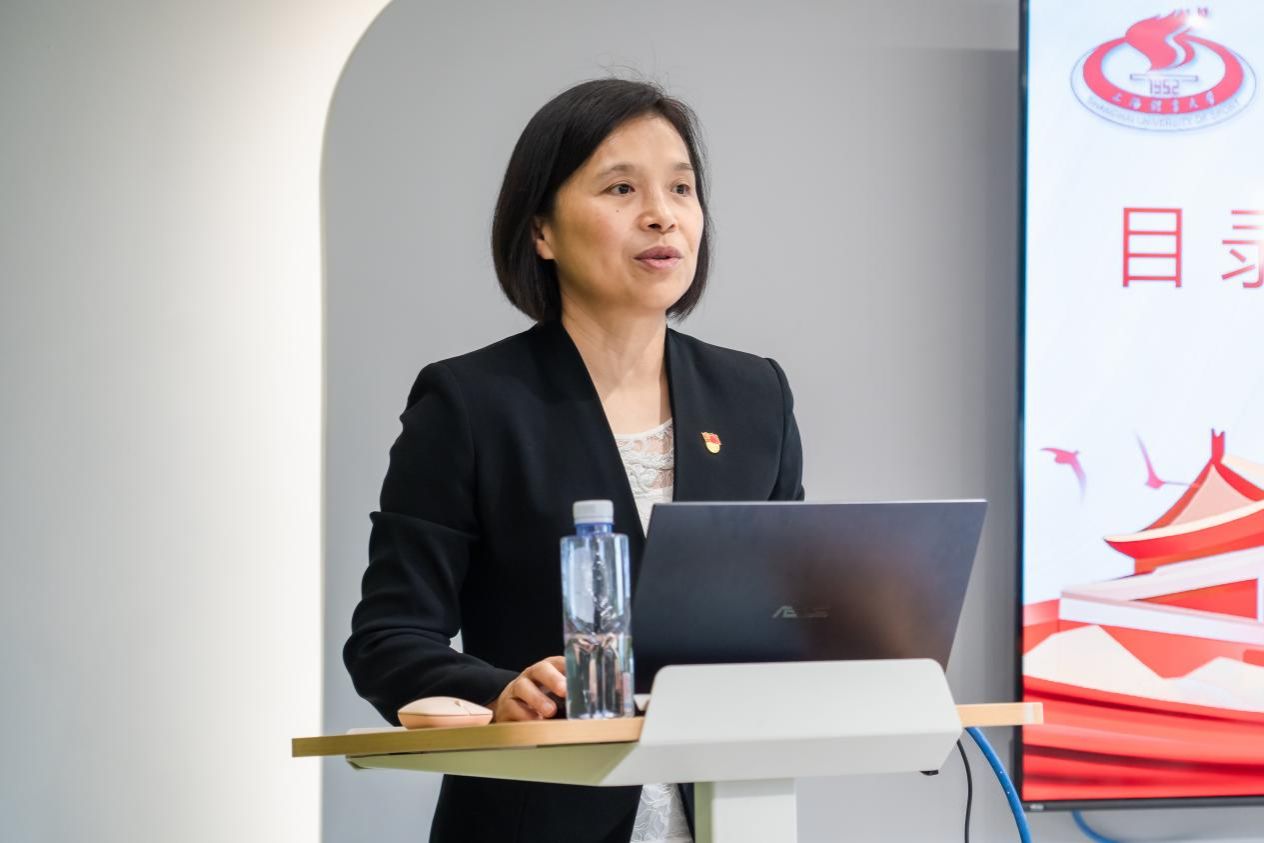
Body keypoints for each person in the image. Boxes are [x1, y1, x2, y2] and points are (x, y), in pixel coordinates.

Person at [343, 78, 805, 843]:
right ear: (541, 231)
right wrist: (500, 692)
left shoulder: (754, 396)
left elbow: (790, 614)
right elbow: (388, 639)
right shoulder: (472, 403)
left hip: (732, 816)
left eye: (681, 188)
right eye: (622, 188)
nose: (662, 214)